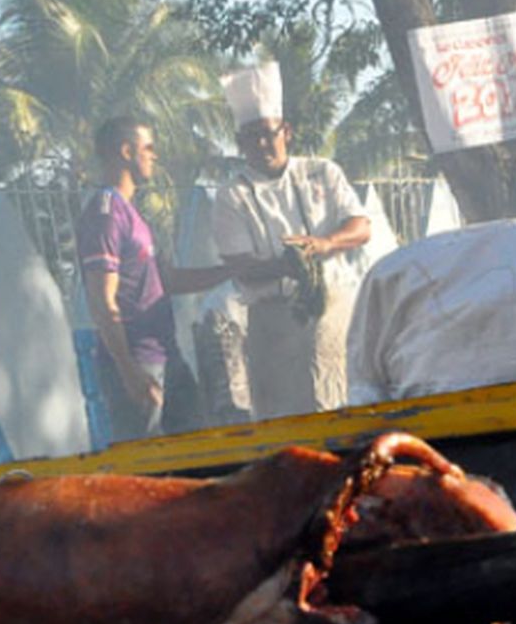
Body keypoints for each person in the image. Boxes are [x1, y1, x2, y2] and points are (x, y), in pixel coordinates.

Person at [76, 117, 260, 441]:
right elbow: (102, 302)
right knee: (145, 464)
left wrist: (231, 271)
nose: (154, 156)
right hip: (137, 363)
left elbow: (169, 280)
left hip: (167, 357)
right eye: (148, 148)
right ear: (126, 151)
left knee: (197, 449)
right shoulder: (105, 215)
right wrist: (129, 371)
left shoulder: (134, 215)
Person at [212, 62, 371, 419]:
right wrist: (288, 264)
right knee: (279, 419)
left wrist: (323, 245)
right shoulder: (232, 195)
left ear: (287, 132)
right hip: (271, 320)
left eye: (269, 133)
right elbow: (241, 268)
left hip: (330, 307)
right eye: (252, 137)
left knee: (330, 404)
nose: (262, 144)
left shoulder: (322, 172)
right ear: (240, 144)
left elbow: (361, 227)